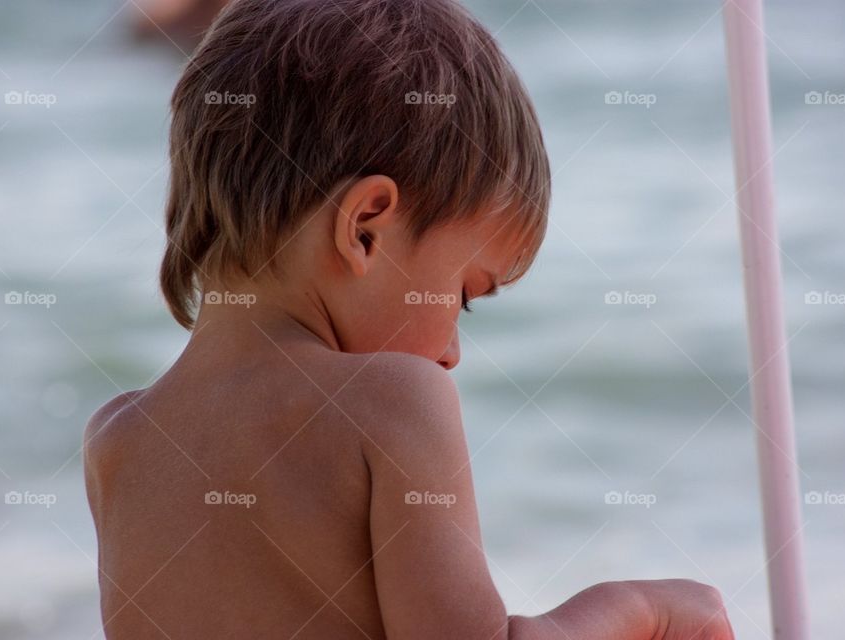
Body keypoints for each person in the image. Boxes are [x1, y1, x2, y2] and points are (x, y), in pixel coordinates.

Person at [84, 0, 736, 637]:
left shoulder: (116, 443)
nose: (452, 350)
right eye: (462, 295)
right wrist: (636, 609)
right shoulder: (394, 401)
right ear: (365, 229)